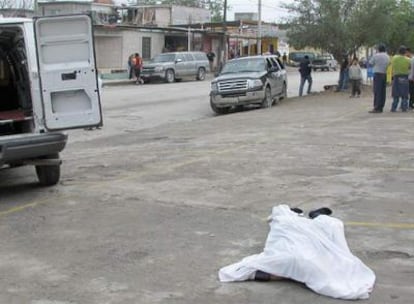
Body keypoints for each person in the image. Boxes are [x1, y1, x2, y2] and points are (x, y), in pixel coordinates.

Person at [369, 44, 390, 113]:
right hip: (384, 74)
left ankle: (376, 107)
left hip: (377, 74)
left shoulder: (376, 55)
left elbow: (370, 63)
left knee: (377, 91)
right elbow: (389, 64)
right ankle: (381, 106)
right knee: (382, 91)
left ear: (378, 49)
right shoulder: (387, 56)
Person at [390, 45, 410, 112]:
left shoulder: (394, 58)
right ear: (405, 52)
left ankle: (393, 108)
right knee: (404, 94)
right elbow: (410, 67)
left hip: (396, 77)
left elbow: (391, 64)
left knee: (396, 93)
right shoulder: (408, 60)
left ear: (398, 51)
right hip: (405, 77)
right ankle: (404, 108)